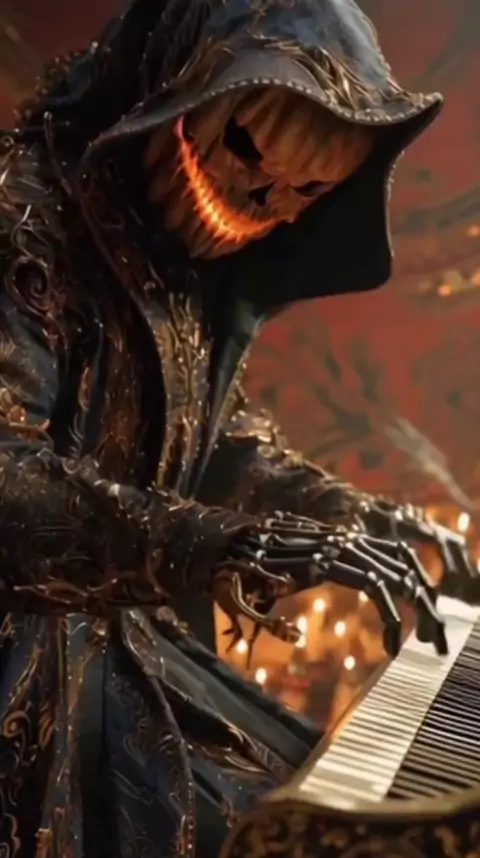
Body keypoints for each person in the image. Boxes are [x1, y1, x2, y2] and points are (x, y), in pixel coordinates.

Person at [0, 0, 472, 855]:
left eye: (306, 192)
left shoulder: (175, 258)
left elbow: (213, 440)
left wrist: (346, 514)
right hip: (24, 676)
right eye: (250, 150)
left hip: (121, 649)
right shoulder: (21, 215)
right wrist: (219, 545)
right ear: (178, 88)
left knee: (324, 810)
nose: (263, 199)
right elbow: (10, 481)